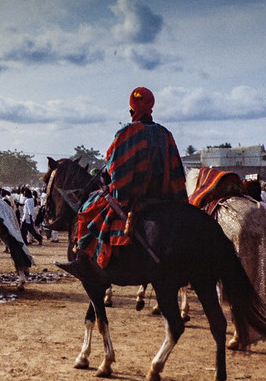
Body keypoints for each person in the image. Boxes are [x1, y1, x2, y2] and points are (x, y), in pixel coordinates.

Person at [77, 87, 187, 268]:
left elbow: (116, 169)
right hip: (164, 197)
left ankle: (85, 262)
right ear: (151, 109)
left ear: (131, 111)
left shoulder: (127, 132)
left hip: (132, 200)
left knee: (88, 209)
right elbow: (177, 171)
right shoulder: (166, 134)